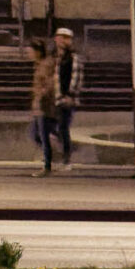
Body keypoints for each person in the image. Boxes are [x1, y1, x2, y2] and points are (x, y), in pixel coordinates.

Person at [54, 24, 84, 166]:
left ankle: (66, 158)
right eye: (61, 38)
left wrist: (70, 95)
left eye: (66, 38)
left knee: (63, 127)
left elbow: (76, 77)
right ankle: (61, 152)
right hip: (54, 98)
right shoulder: (55, 58)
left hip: (66, 99)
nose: (63, 41)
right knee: (50, 127)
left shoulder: (73, 58)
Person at [29, 40, 58, 174]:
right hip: (38, 105)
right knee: (34, 134)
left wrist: (42, 95)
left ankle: (47, 166)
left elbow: (50, 84)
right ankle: (53, 155)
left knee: (42, 135)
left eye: (31, 50)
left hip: (44, 105)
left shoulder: (46, 64)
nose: (29, 53)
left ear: (38, 51)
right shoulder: (39, 64)